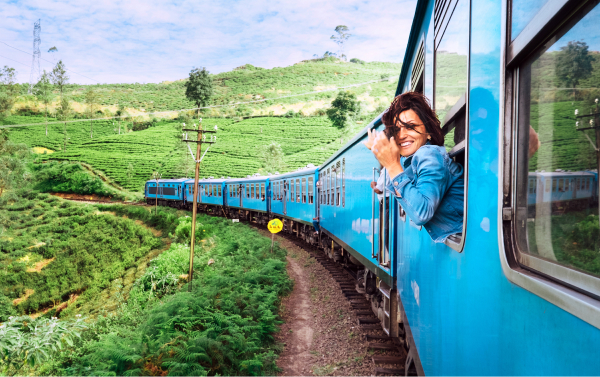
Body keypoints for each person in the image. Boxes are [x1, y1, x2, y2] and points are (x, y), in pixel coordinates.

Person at [364, 92, 464, 242]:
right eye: (397, 130)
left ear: (428, 132)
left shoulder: (429, 154)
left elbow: (421, 213)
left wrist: (391, 165)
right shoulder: (412, 160)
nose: (402, 135)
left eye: (410, 127)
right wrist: (382, 154)